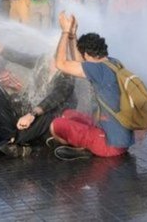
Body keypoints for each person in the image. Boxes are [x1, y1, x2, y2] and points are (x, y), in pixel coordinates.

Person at [0, 29, 77, 159]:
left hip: (51, 119)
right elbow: (17, 57)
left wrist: (32, 114)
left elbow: (56, 96)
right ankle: (15, 141)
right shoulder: (43, 61)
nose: (51, 60)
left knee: (48, 114)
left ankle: (13, 141)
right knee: (8, 100)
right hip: (33, 113)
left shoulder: (68, 74)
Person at [48, 13, 135, 160]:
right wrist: (72, 36)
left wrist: (65, 32)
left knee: (55, 125)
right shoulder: (113, 63)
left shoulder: (97, 70)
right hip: (121, 138)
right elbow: (80, 62)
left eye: (84, 55)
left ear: (88, 55)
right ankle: (87, 142)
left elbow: (60, 64)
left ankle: (85, 149)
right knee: (68, 114)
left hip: (109, 146)